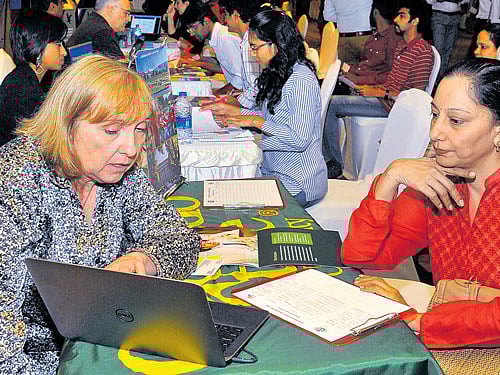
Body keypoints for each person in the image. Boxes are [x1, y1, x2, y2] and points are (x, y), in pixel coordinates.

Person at [0, 55, 200, 373]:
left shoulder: (119, 170)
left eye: (139, 130)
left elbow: (180, 238)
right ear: (66, 125)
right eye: (111, 131)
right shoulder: (17, 179)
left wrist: (143, 260)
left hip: (99, 342)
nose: (132, 148)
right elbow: (3, 340)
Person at [343, 58, 500, 348]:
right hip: (449, 339)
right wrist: (390, 178)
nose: (435, 133)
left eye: (455, 121)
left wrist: (419, 322)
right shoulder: (438, 185)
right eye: (435, 115)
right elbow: (363, 257)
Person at [203, 9, 327, 207]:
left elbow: (299, 139)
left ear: (275, 45)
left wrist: (256, 122)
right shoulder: (277, 72)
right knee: (218, 190)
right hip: (274, 172)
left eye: (255, 47)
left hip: (297, 182)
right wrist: (237, 113)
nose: (252, 54)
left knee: (228, 202)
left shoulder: (300, 79)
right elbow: (275, 117)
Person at [323, 0, 434, 172]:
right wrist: (371, 87)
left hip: (391, 106)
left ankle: (334, 163)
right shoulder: (402, 46)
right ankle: (334, 160)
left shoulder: (422, 51)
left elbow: (415, 96)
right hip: (383, 99)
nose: (396, 19)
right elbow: (392, 80)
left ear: (416, 21)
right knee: (337, 92)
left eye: (402, 15)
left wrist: (380, 92)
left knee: (332, 104)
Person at [0, 10, 67, 146]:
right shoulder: (23, 94)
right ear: (38, 46)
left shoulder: (24, 78)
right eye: (58, 45)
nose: (64, 52)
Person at [181, 0, 243, 88]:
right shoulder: (216, 36)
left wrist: (217, 93)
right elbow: (226, 68)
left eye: (193, 27)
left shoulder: (224, 37)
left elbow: (239, 78)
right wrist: (198, 64)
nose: (191, 33)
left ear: (206, 21)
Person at [340, 0, 402, 86]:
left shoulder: (393, 39)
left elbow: (391, 76)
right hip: (358, 78)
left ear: (375, 12)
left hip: (368, 87)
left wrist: (358, 79)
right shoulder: (373, 38)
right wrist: (346, 69)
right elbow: (364, 67)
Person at [217, 0, 265, 109]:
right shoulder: (247, 39)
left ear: (235, 15)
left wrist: (228, 105)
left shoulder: (250, 43)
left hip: (259, 111)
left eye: (226, 15)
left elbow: (256, 89)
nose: (225, 21)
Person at [66, 0, 130, 60]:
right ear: (111, 10)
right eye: (126, 13)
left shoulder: (93, 23)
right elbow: (120, 67)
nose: (128, 19)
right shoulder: (102, 32)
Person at [426, 0, 469, 77]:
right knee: (439, 48)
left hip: (455, 17)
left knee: (448, 49)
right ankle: (436, 75)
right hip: (439, 15)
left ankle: (441, 75)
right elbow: (429, 1)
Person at [322, 0, 373, 65]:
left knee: (348, 72)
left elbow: (328, 16)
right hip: (366, 36)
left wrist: (343, 20)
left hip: (344, 38)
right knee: (370, 71)